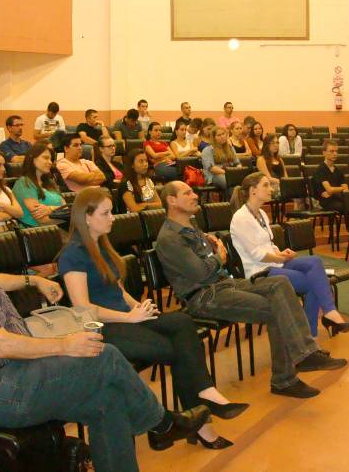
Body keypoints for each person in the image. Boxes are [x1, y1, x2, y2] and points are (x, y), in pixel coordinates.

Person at [0, 200, 209, 472]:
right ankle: (162, 424)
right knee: (105, 355)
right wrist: (64, 345)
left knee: (109, 400)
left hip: (16, 376)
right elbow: (0, 345)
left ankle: (160, 427)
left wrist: (34, 279)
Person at [60, 187, 246, 450]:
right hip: (105, 328)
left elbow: (118, 291)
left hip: (127, 318)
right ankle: (194, 422)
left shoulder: (101, 246)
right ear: (86, 217)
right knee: (177, 350)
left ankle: (200, 404)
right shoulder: (73, 254)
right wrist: (130, 318)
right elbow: (82, 308)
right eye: (106, 213)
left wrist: (139, 307)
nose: (112, 218)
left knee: (182, 322)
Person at [156, 181, 347, 399]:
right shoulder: (170, 238)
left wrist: (212, 246)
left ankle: (302, 358)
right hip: (204, 296)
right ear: (171, 200)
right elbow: (200, 272)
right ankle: (288, 375)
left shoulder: (191, 225)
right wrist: (219, 256)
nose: (194, 195)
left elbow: (202, 258)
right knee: (277, 308)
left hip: (223, 284)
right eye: (187, 193)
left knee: (280, 283)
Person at [229, 173, 349, 337]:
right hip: (259, 271)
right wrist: (280, 257)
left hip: (274, 263)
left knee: (315, 261)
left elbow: (268, 244)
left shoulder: (261, 214)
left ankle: (326, 316)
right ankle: (314, 330)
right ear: (253, 190)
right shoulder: (240, 218)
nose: (271, 189)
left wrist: (280, 252)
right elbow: (256, 255)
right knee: (313, 283)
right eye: (266, 185)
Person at [12, 142, 67, 227]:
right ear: (32, 158)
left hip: (60, 228)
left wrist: (50, 209)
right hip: (38, 232)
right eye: (46, 158)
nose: (50, 162)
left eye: (51, 159)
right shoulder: (24, 182)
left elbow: (66, 208)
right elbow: (42, 220)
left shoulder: (50, 182)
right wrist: (66, 217)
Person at [117, 149, 162, 213]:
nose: (145, 164)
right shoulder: (126, 184)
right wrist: (152, 205)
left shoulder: (148, 180)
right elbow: (134, 209)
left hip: (150, 216)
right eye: (141, 161)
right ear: (132, 165)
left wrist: (145, 205)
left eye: (146, 161)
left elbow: (159, 204)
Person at [312, 139, 348, 212]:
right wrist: (341, 189)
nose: (335, 154)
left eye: (336, 151)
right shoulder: (321, 169)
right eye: (331, 151)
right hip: (326, 201)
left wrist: (333, 190)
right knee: (346, 206)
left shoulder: (338, 170)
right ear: (324, 153)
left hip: (337, 198)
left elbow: (346, 189)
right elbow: (329, 189)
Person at [201, 127, 240, 191]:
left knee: (244, 180)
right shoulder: (207, 150)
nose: (222, 137)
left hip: (230, 174)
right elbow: (212, 169)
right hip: (215, 176)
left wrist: (239, 171)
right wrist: (229, 174)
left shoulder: (230, 148)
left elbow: (237, 163)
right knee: (228, 181)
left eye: (223, 134)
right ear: (214, 138)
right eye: (219, 135)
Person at [256, 134, 287, 198]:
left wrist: (285, 183)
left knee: (299, 192)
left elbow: (286, 176)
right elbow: (268, 178)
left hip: (282, 186)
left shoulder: (280, 159)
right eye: (272, 143)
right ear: (266, 145)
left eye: (277, 143)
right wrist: (283, 183)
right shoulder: (261, 159)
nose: (276, 145)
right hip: (270, 187)